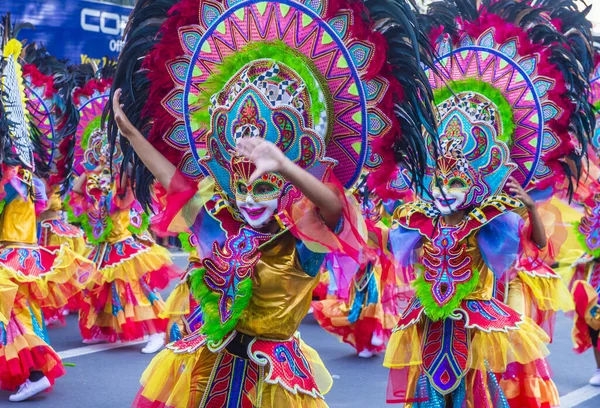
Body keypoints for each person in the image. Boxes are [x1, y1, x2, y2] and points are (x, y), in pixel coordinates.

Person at [105, 0, 439, 405]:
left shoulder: (302, 240)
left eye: (262, 187)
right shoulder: (223, 229)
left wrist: (282, 165)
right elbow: (176, 185)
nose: (249, 199)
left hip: (276, 382)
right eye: (241, 187)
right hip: (210, 369)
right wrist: (132, 135)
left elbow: (334, 208)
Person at [384, 1, 594, 405]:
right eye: (440, 179)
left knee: (475, 394)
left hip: (476, 326)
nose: (446, 190)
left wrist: (529, 207)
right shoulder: (420, 216)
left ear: (482, 174)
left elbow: (532, 241)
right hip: (429, 324)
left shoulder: (491, 215)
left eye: (457, 179)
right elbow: (399, 244)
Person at [67, 71, 179, 354]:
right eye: (100, 151)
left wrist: (123, 169)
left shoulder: (121, 181)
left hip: (122, 244)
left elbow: (125, 202)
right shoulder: (95, 178)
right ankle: (105, 329)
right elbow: (77, 192)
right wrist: (90, 169)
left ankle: (157, 331)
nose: (104, 155)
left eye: (108, 152)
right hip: (102, 246)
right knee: (99, 290)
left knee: (137, 289)